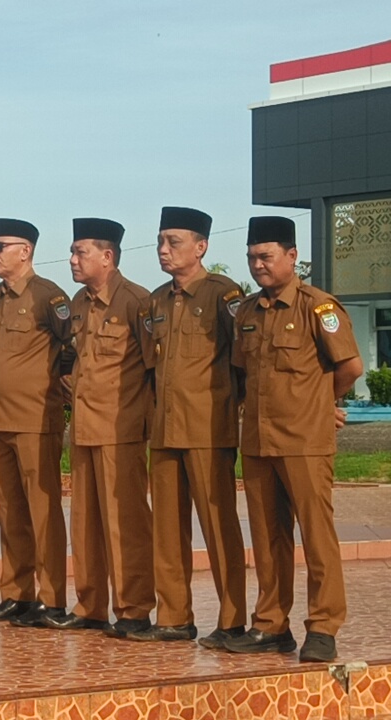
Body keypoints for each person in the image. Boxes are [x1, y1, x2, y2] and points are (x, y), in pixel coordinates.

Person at [226, 216, 363, 663]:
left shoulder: (317, 306)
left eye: (266, 256)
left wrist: (324, 404)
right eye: (252, 257)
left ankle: (323, 627)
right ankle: (271, 624)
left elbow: (350, 367)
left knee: (316, 536)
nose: (258, 265)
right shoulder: (246, 311)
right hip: (259, 443)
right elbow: (242, 375)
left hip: (305, 440)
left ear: (292, 256)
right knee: (267, 538)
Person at [132, 206, 248, 647]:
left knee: (219, 527)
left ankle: (233, 619)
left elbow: (245, 360)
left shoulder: (224, 295)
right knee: (167, 530)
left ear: (201, 247)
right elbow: (149, 367)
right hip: (164, 431)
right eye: (160, 242)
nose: (163, 250)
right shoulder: (155, 302)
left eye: (174, 242)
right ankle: (174, 617)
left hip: (208, 429)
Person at [45, 219, 155, 636]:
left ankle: (134, 608)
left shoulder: (136, 302)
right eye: (73, 253)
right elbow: (72, 355)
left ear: (107, 257)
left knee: (125, 522)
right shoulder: (77, 302)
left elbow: (152, 367)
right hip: (85, 428)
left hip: (121, 428)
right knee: (86, 523)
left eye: (80, 253)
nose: (72, 260)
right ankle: (91, 605)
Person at [0, 218, 72, 627]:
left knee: (42, 510)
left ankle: (52, 599)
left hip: (34, 417)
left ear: (25, 251)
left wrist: (58, 386)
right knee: (9, 510)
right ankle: (17, 594)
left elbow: (73, 343)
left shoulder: (50, 296)